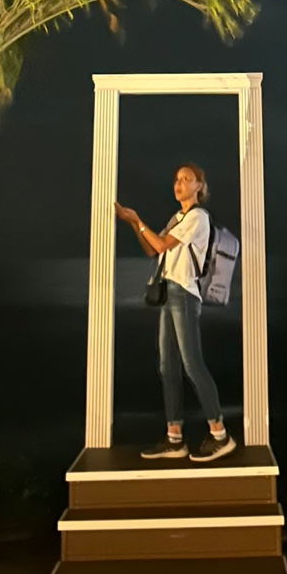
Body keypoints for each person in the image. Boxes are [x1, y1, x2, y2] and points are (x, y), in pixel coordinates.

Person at [115, 163, 236, 463]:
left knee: (192, 364)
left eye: (187, 179)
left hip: (184, 294)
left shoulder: (198, 217)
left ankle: (220, 434)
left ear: (199, 187)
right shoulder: (177, 218)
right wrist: (133, 225)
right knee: (167, 366)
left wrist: (137, 219)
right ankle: (174, 438)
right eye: (177, 179)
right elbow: (152, 249)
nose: (179, 183)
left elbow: (161, 244)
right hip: (169, 293)